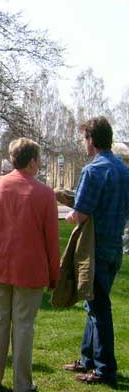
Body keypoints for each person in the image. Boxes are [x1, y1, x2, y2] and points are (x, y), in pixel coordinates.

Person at [0, 138, 60, 392]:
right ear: (33, 161)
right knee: (24, 325)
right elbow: (52, 240)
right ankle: (22, 384)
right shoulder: (45, 193)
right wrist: (54, 275)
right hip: (29, 267)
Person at [64, 117, 129, 386]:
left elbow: (80, 214)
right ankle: (87, 358)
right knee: (94, 304)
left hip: (95, 248)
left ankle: (104, 368)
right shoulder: (124, 170)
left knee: (98, 308)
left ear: (91, 140)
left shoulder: (93, 170)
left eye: (84, 139)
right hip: (115, 245)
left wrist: (68, 214)